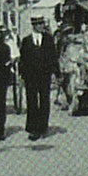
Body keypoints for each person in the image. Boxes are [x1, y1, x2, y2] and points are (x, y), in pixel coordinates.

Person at [20, 13, 57, 141]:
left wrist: (55, 74)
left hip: (44, 76)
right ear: (33, 26)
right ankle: (33, 128)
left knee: (45, 101)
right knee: (32, 102)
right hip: (31, 77)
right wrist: (22, 75)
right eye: (38, 24)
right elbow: (23, 60)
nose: (41, 26)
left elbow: (53, 57)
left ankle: (43, 127)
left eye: (42, 24)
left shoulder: (49, 39)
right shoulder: (26, 41)